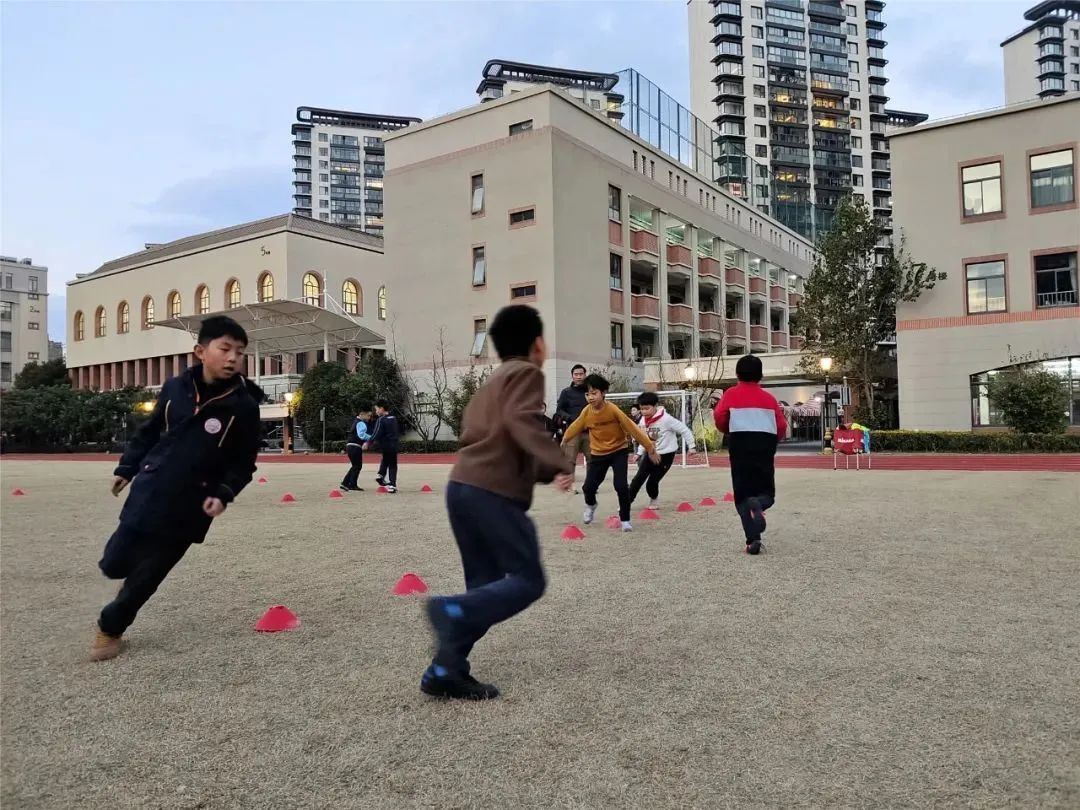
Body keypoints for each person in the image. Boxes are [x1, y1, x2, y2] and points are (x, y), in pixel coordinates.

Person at [422, 304, 574, 700]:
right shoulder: (526, 373)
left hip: (462, 489)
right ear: (538, 343)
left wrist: (544, 470)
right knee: (528, 580)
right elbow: (521, 424)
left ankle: (445, 669)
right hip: (492, 493)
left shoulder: (490, 385)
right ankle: (449, 610)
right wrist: (560, 459)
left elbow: (504, 438)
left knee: (485, 592)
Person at [91, 315, 263, 661]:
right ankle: (127, 577)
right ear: (201, 350)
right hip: (150, 490)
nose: (233, 358)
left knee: (148, 576)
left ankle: (110, 629)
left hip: (192, 505)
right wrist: (128, 467)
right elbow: (150, 431)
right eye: (225, 348)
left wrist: (224, 493)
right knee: (113, 564)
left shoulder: (244, 406)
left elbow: (243, 463)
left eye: (240, 352)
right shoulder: (174, 389)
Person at [561, 374, 658, 532]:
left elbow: (631, 428)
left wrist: (649, 447)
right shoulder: (587, 412)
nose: (590, 397)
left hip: (618, 451)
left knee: (620, 486)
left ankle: (625, 519)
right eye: (587, 394)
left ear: (603, 393)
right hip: (598, 454)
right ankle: (591, 505)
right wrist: (564, 440)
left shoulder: (612, 409)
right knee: (588, 487)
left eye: (594, 393)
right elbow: (576, 425)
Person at [713, 354, 786, 555]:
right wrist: (773, 440)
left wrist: (728, 429)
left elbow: (719, 418)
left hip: (740, 445)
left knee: (743, 496)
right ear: (760, 375)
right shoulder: (769, 398)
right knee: (767, 493)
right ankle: (760, 503)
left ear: (737, 374)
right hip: (764, 446)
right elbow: (781, 426)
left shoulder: (731, 394)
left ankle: (752, 540)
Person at [629, 391, 696, 509]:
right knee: (638, 479)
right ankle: (626, 503)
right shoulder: (643, 420)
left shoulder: (666, 419)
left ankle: (653, 499)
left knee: (652, 482)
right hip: (651, 453)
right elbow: (645, 438)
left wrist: (692, 446)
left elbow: (684, 429)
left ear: (655, 406)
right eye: (642, 409)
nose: (644, 412)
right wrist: (639, 453)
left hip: (666, 456)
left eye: (647, 408)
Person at [555, 364, 589, 491]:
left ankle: (591, 484)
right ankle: (570, 484)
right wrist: (569, 418)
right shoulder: (566, 392)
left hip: (589, 431)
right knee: (569, 460)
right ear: (572, 376)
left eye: (581, 374)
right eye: (576, 374)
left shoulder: (590, 391)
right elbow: (559, 410)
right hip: (573, 430)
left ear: (585, 375)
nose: (579, 377)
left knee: (593, 459)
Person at [365, 399, 400, 493]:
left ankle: (381, 476)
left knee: (387, 459)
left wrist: (368, 442)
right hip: (394, 444)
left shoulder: (381, 420)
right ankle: (390, 483)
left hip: (385, 444)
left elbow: (376, 433)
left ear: (381, 408)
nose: (376, 412)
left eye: (376, 409)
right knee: (392, 464)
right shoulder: (393, 418)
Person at [341, 407, 372, 491]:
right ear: (361, 414)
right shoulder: (361, 423)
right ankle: (351, 484)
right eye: (368, 415)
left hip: (350, 446)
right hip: (355, 446)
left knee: (355, 466)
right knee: (357, 466)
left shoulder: (356, 421)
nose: (369, 418)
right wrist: (371, 437)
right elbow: (361, 435)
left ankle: (345, 483)